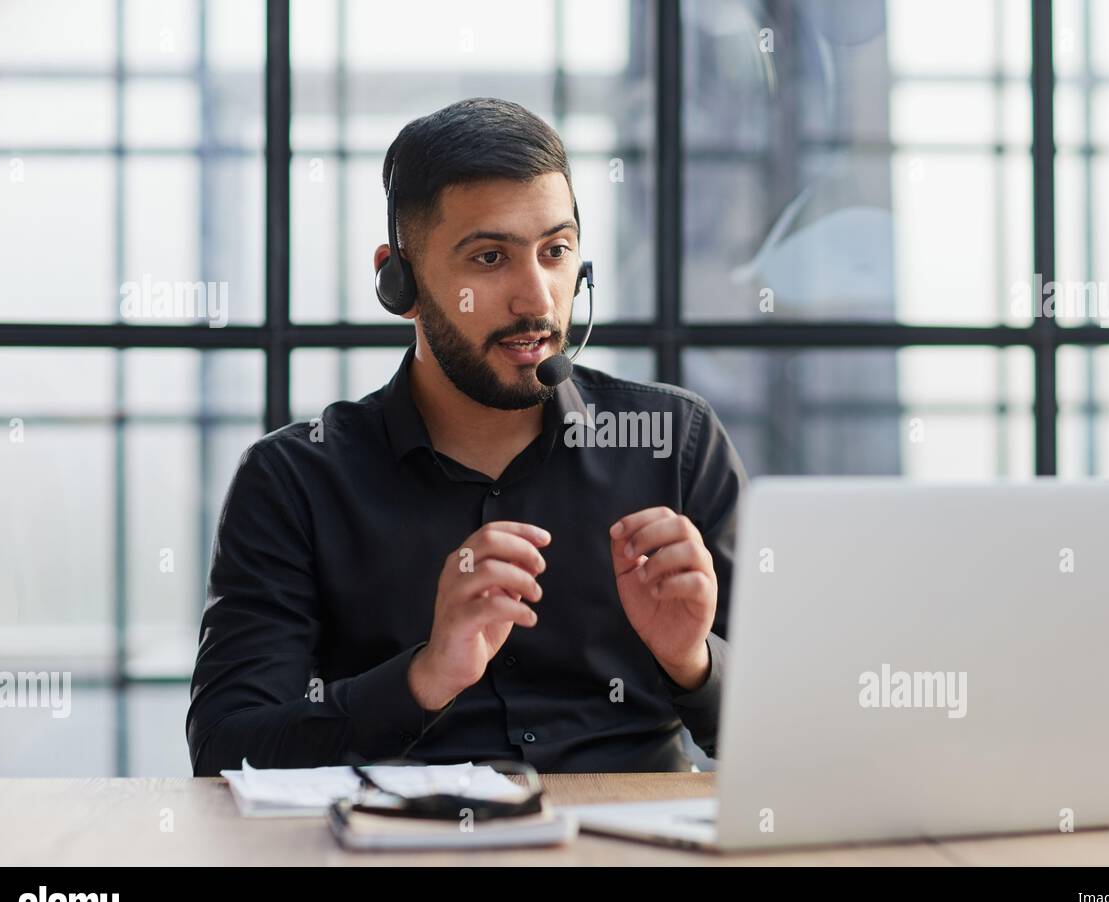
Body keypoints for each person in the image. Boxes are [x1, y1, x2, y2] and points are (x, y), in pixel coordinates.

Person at [187, 97, 747, 776]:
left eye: (556, 251)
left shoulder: (675, 442)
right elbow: (226, 750)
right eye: (489, 258)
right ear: (402, 282)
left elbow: (797, 734)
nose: (537, 298)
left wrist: (692, 662)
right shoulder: (294, 479)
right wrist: (423, 679)